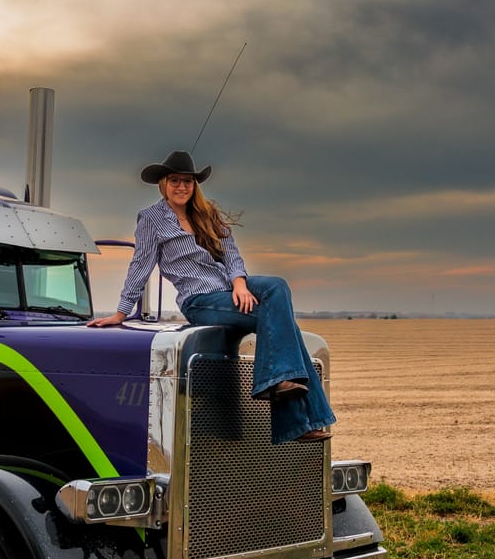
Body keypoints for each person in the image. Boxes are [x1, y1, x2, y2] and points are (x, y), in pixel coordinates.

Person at [89, 150, 335, 443]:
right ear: (164, 184)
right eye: (175, 181)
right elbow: (141, 264)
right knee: (287, 327)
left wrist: (240, 284)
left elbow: (231, 255)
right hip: (200, 300)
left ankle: (283, 391)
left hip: (229, 292)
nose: (182, 187)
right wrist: (121, 311)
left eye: (188, 182)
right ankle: (297, 411)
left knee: (277, 288)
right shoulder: (151, 218)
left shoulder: (207, 214)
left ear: (195, 185)